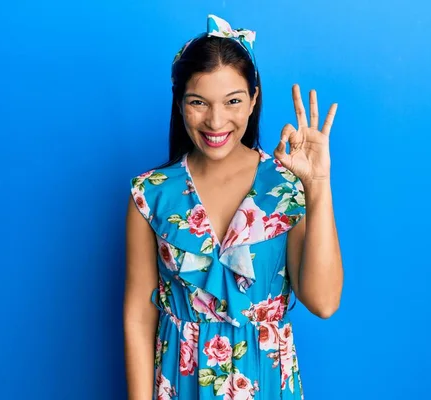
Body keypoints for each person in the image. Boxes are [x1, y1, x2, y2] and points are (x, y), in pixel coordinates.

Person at [123, 14, 343, 400]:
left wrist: (318, 187)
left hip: (266, 383)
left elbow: (323, 303)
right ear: (179, 103)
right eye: (198, 102)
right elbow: (139, 317)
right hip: (180, 385)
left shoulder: (285, 185)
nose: (216, 120)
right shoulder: (150, 193)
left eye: (233, 101)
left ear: (254, 98)